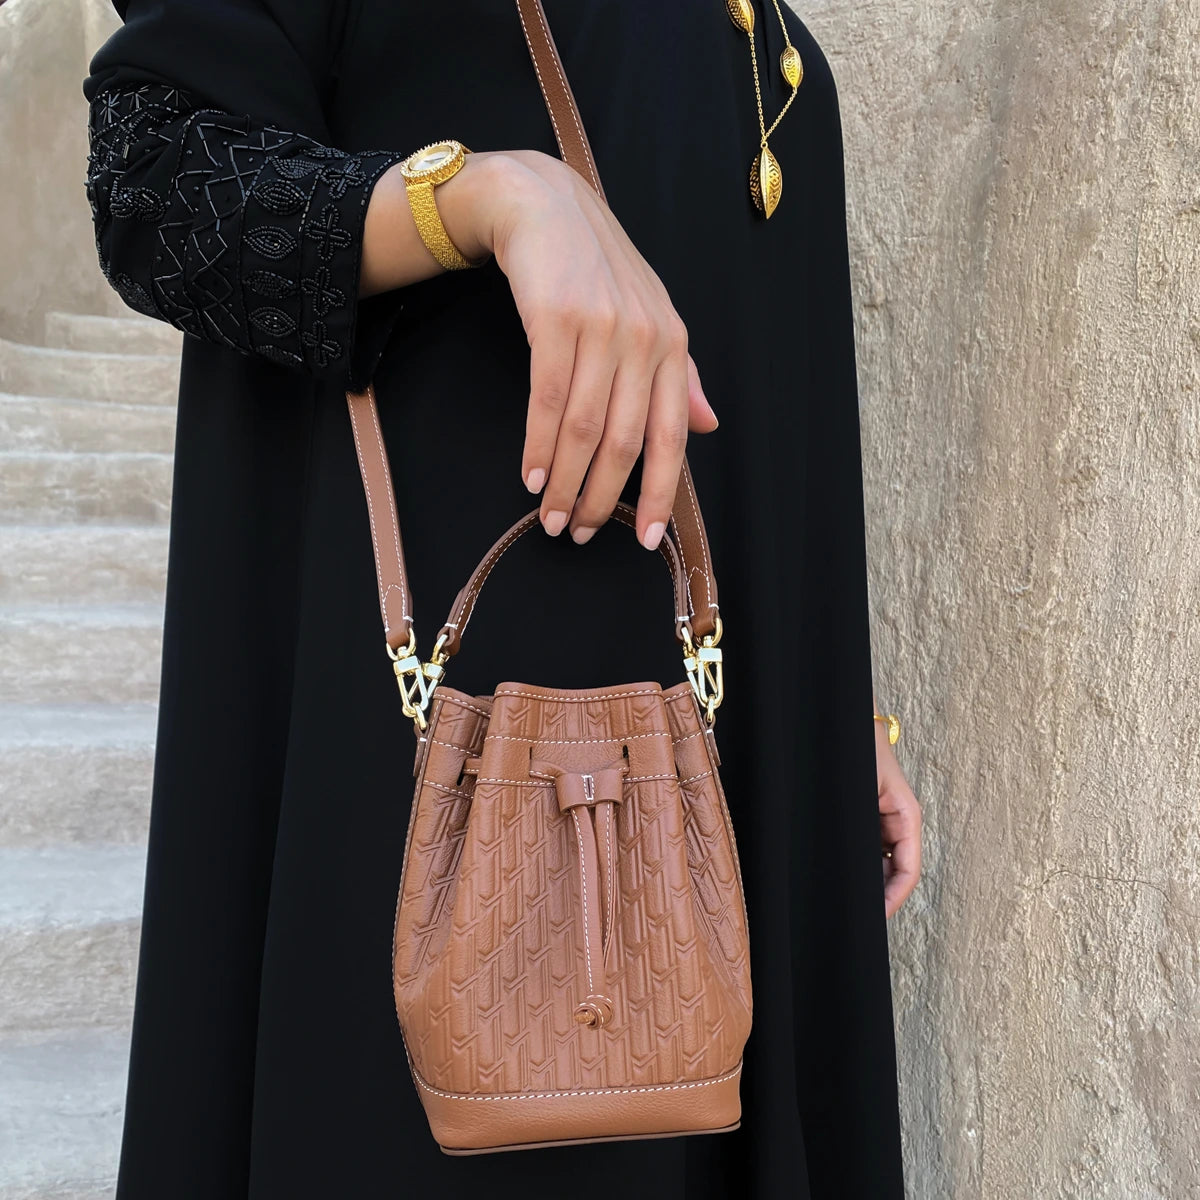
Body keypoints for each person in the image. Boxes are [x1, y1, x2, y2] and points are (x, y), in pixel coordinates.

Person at [82, 1, 922, 1196]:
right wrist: (487, 197)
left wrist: (828, 707)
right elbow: (158, 185)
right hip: (471, 781)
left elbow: (767, 394)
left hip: (720, 755)